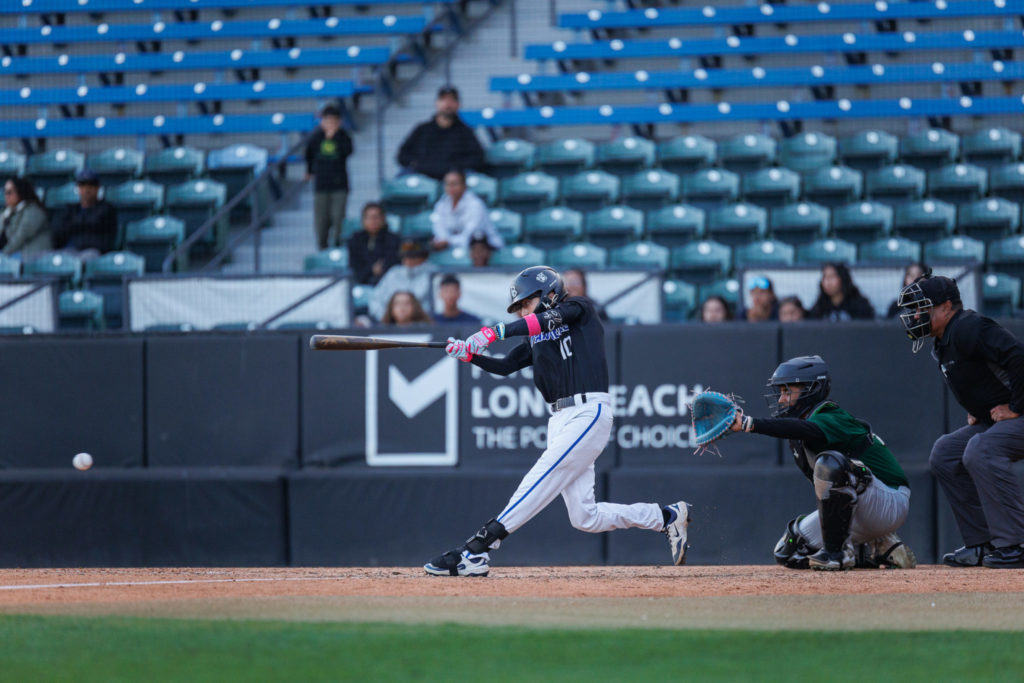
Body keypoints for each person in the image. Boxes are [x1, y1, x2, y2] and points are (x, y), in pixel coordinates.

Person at [424, 265, 691, 576]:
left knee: (544, 473)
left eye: (527, 303)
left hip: (587, 411)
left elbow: (544, 321)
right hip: (560, 418)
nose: (523, 311)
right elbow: (505, 367)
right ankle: (666, 517)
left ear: (550, 292)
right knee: (585, 517)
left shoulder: (579, 308)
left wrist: (493, 332)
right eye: (520, 306)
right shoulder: (536, 337)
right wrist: (468, 355)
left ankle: (479, 548)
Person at [728, 355, 916, 570]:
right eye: (781, 392)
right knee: (790, 551)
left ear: (812, 389)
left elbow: (809, 430)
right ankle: (877, 548)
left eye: (787, 391)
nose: (781, 399)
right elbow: (793, 428)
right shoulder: (798, 429)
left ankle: (839, 555)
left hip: (890, 500)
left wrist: (749, 424)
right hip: (862, 507)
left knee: (830, 463)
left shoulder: (829, 414)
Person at [897, 273, 1024, 568]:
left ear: (945, 307)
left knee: (980, 449)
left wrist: (1016, 406)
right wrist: (982, 411)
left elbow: (1018, 355)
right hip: (999, 420)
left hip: (1020, 414)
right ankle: (983, 543)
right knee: (946, 452)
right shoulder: (944, 341)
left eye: (921, 307)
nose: (915, 315)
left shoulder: (968, 326)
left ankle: (1015, 543)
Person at [396, 85, 485, 180]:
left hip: (454, 180)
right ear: (436, 103)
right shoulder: (422, 129)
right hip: (423, 176)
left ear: (458, 104)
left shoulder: (465, 132)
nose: (448, 104)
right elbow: (402, 155)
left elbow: (478, 157)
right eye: (444, 99)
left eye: (452, 100)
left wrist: (456, 168)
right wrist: (418, 164)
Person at [305, 104, 353, 250]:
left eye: (334, 121)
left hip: (339, 185)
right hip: (321, 185)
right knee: (321, 222)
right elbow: (309, 154)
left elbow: (348, 151)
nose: (331, 124)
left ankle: (338, 248)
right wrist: (309, 171)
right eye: (328, 121)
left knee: (338, 219)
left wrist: (334, 138)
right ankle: (322, 248)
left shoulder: (343, 136)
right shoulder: (316, 137)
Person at [51, 169, 118, 259]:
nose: (87, 189)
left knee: (83, 258)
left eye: (91, 185)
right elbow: (60, 232)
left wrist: (77, 225)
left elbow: (104, 238)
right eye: (83, 185)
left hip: (93, 251)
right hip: (71, 250)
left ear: (97, 188)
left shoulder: (106, 209)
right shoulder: (70, 209)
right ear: (78, 188)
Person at [430, 169, 504, 251]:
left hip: (484, 244)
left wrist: (448, 241)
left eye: (454, 184)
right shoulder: (441, 204)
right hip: (453, 243)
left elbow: (470, 234)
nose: (450, 187)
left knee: (478, 248)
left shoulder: (475, 204)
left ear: (464, 186)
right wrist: (443, 240)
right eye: (447, 184)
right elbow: (439, 229)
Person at [369, 239, 436, 321]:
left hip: (423, 325)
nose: (408, 260)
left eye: (413, 257)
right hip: (392, 324)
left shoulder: (434, 274)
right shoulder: (393, 273)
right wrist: (389, 318)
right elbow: (375, 300)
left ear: (423, 257)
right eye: (405, 256)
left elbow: (438, 306)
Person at [347, 202, 401, 286]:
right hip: (361, 282)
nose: (373, 221)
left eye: (376, 217)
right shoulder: (355, 240)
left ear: (383, 219)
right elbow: (354, 267)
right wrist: (371, 269)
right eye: (369, 217)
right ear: (363, 220)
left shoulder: (394, 239)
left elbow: (393, 264)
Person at [808, 262, 875, 321]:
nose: (827, 282)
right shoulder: (820, 306)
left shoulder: (860, 305)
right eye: (825, 277)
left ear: (843, 278)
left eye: (832, 277)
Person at [1, 177, 50, 257]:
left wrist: (3, 255)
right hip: (17, 254)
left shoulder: (34, 211)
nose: (6, 196)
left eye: (9, 192)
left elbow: (19, 238)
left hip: (34, 255)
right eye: (5, 192)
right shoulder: (7, 212)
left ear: (20, 193)